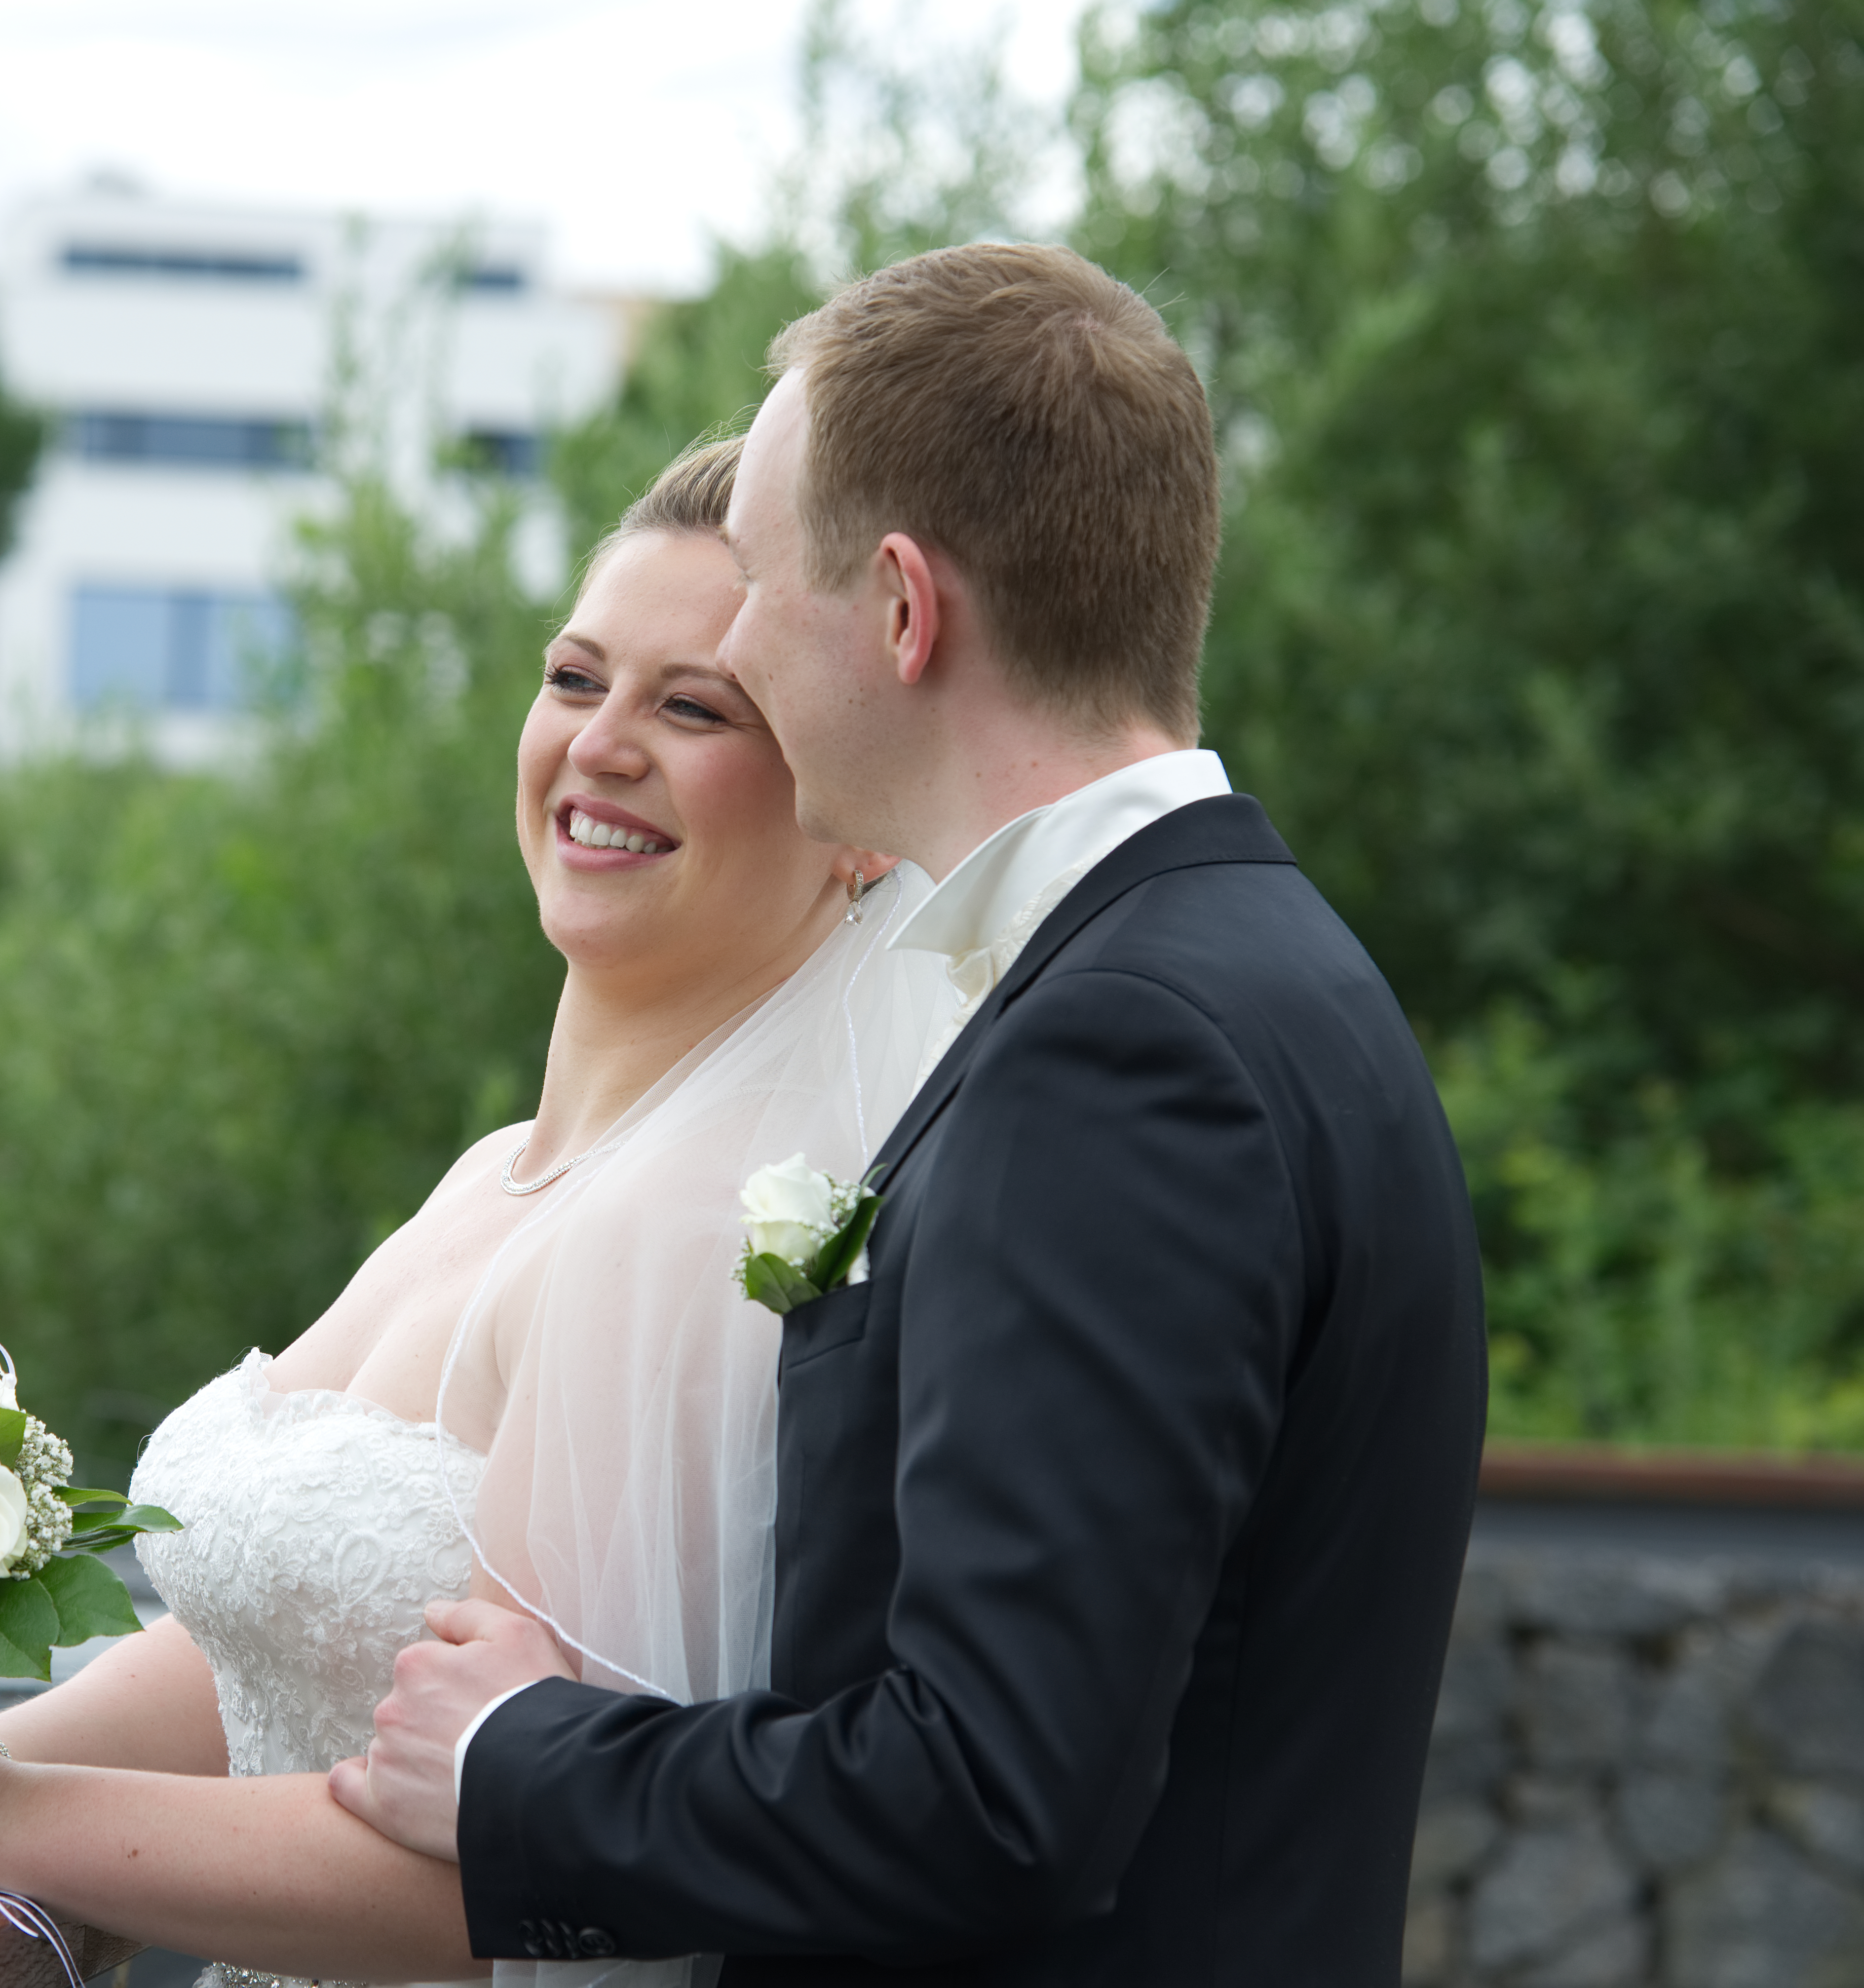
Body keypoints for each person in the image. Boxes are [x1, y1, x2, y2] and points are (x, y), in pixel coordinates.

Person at [335, 243, 1486, 1984]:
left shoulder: (1120, 1053)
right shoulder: (1277, 967)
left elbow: (992, 1796)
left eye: (761, 584)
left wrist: (517, 1758)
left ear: (896, 607)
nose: (728, 634)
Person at [0, 439, 956, 1985]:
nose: (599, 745)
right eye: (575, 678)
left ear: (849, 807)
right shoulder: (498, 1170)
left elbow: (528, 1879)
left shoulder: (683, 1234)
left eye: (693, 705)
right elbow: (276, 1636)